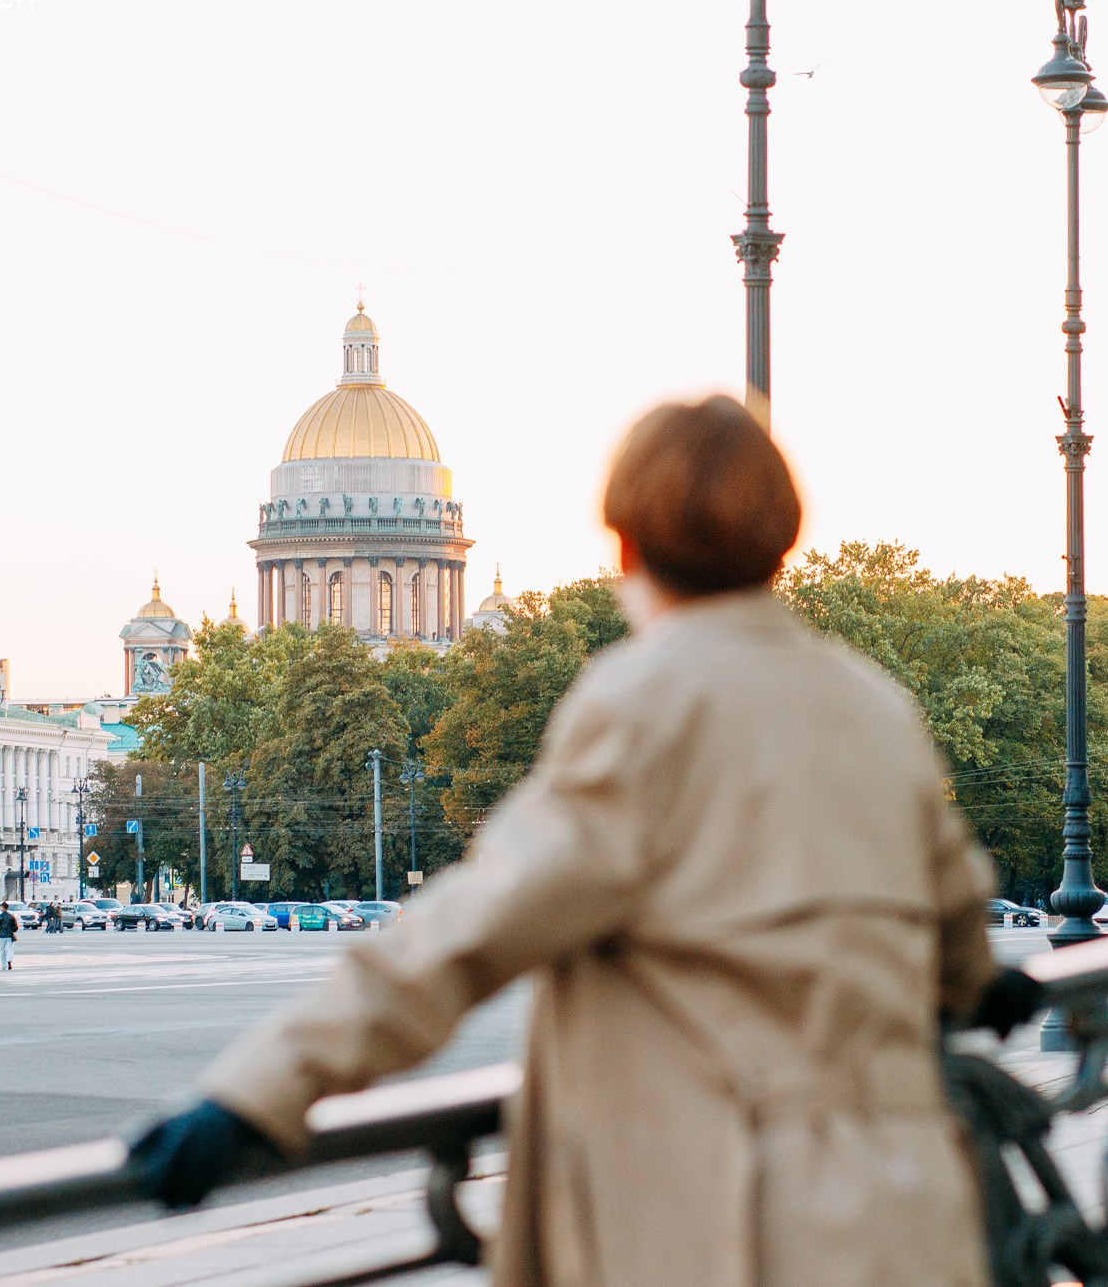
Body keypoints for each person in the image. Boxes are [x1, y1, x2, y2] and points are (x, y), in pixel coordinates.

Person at [127, 395, 1032, 1284]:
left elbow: (467, 932)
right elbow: (959, 936)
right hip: (913, 1216)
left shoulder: (642, 701)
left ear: (629, 547)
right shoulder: (873, 704)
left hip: (731, 1225)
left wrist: (255, 1093)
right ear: (780, 539)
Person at [0, 903, 20, 970]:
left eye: (1, 907)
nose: (0, 908)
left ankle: (3, 965)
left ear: (3, 907)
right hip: (9, 935)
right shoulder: (11, 916)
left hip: (2, 935)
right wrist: (12, 930)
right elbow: (16, 927)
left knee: (2, 949)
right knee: (10, 949)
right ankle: (9, 960)